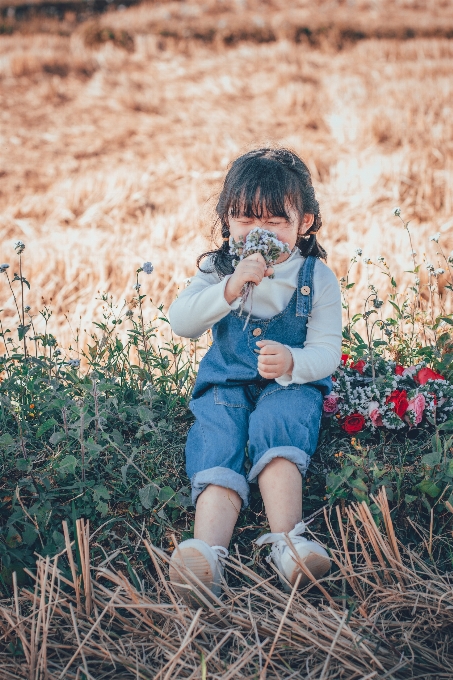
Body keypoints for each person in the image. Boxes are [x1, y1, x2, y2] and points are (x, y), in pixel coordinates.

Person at [167, 148, 342, 599]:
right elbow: (182, 322)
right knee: (219, 441)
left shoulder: (317, 277)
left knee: (278, 427)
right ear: (227, 219)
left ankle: (289, 543)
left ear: (304, 222)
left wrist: (293, 362)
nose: (259, 233)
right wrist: (229, 287)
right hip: (225, 386)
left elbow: (326, 353)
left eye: (276, 222)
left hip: (289, 386)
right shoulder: (217, 268)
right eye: (245, 220)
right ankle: (206, 555)